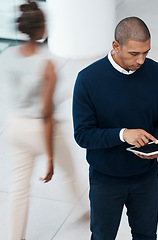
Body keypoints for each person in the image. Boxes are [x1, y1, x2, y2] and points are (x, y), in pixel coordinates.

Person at [73, 16, 158, 240]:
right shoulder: (88, 80)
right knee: (102, 237)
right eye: (134, 54)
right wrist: (122, 135)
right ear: (116, 46)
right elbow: (83, 135)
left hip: (146, 178)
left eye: (146, 52)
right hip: (105, 181)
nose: (141, 60)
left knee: (147, 236)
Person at [0, 1, 79, 239]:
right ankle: (86, 210)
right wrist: (50, 159)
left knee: (19, 188)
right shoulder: (47, 64)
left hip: (15, 126)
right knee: (70, 169)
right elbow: (45, 113)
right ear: (41, 28)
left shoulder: (7, 55)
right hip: (41, 128)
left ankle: (15, 236)